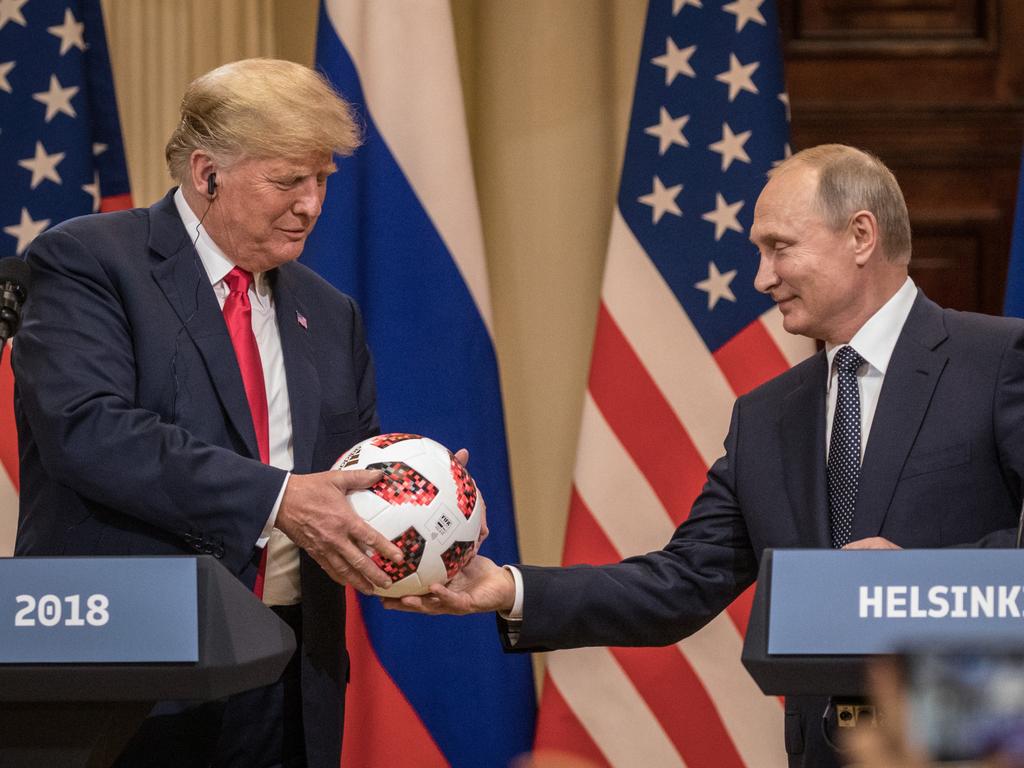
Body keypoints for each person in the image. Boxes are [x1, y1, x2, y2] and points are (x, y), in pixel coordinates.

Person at [385, 144, 1024, 768]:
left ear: (861, 235)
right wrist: (508, 588)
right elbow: (682, 583)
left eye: (780, 247)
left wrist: (923, 580)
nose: (762, 278)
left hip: (975, 740)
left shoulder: (998, 362)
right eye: (759, 252)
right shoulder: (767, 415)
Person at [13, 58, 410, 768]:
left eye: (322, 179)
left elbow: (343, 475)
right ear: (207, 173)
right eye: (288, 180)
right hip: (131, 667)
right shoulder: (90, 261)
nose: (311, 204)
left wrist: (412, 499)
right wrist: (279, 499)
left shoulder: (329, 311)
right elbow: (90, 430)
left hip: (289, 676)